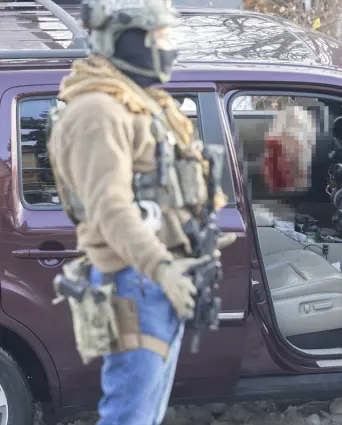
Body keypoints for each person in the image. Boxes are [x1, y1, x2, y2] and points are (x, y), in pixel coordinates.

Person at [46, 0, 234, 424]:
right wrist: (162, 268)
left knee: (145, 414)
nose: (168, 48)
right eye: (159, 37)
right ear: (125, 40)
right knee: (128, 416)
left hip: (159, 278)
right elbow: (110, 209)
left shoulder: (139, 101)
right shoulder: (98, 110)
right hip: (137, 281)